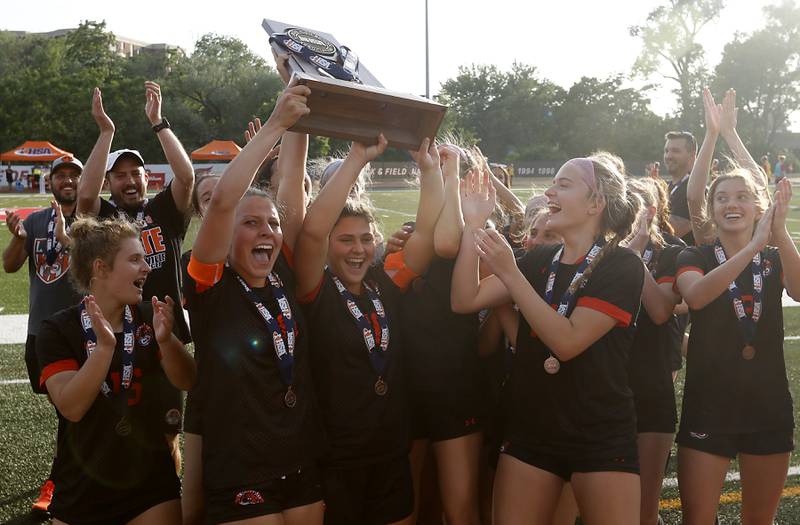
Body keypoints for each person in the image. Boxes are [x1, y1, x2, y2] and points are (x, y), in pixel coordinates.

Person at [452, 154, 644, 524]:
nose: (550, 192)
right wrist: (473, 224)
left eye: (564, 185)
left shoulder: (622, 265)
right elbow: (465, 299)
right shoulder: (540, 259)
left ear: (596, 202)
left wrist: (511, 273)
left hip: (599, 433)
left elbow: (568, 343)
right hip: (532, 430)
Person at [181, 81, 324, 525]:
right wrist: (277, 124)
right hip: (241, 469)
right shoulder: (210, 285)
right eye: (251, 223)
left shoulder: (282, 271)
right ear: (226, 238)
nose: (267, 230)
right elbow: (223, 202)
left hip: (301, 459)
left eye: (272, 223)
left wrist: (304, 100)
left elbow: (293, 182)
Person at [294, 132, 444, 524]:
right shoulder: (316, 290)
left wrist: (429, 169)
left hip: (391, 451)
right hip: (337, 458)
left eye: (364, 239)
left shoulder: (386, 280)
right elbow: (310, 231)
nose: (357, 249)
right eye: (344, 240)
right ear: (328, 245)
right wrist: (357, 158)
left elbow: (426, 234)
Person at [36, 215, 196, 525]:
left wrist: (167, 341)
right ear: (100, 268)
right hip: (83, 482)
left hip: (149, 482)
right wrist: (104, 349)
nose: (146, 268)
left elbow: (188, 379)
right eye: (135, 259)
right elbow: (72, 407)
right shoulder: (57, 330)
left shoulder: (150, 316)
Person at [77, 83, 195, 464]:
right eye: (120, 175)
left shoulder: (164, 210)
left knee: (167, 433)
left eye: (135, 173)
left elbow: (187, 177)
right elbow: (82, 199)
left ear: (149, 178)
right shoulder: (107, 220)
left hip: (164, 336)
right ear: (110, 183)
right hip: (117, 333)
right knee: (115, 430)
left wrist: (159, 123)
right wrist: (105, 132)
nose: (129, 180)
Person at [675, 173, 796, 524]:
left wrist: (780, 234)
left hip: (768, 405)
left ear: (758, 207)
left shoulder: (773, 256)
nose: (731, 204)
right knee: (698, 519)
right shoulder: (693, 254)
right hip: (709, 406)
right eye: (722, 198)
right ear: (711, 210)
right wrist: (751, 248)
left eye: (742, 196)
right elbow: (695, 296)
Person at [402, 144, 484, 525]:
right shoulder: (413, 238)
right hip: (410, 384)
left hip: (455, 385)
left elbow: (448, 241)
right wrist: (434, 174)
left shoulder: (478, 234)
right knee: (408, 503)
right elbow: (431, 232)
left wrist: (450, 179)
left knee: (459, 507)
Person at [2, 154, 85, 514]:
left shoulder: (93, 220)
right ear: (49, 182)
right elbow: (9, 265)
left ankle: (60, 479)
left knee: (73, 412)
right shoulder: (35, 221)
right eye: (60, 176)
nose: (67, 181)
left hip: (83, 332)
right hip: (41, 333)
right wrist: (19, 238)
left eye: (74, 175)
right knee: (67, 411)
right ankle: (72, 473)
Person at [624, 178, 683, 525]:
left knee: (645, 506)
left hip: (651, 382)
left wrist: (635, 256)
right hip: (606, 383)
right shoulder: (601, 247)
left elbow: (660, 311)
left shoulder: (671, 250)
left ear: (650, 210)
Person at [663, 131, 697, 245]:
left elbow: (672, 231)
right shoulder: (665, 186)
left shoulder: (694, 189)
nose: (669, 156)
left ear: (692, 156)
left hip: (683, 260)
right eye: (666, 151)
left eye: (675, 151)